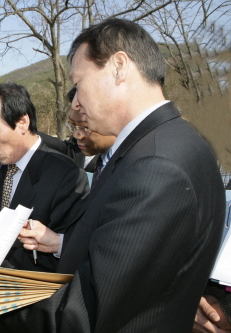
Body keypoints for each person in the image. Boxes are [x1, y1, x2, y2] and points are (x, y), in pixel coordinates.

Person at [21, 18, 226, 332]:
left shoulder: (156, 164)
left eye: (79, 84)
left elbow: (87, 313)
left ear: (118, 66)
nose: (75, 101)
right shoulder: (168, 143)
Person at [0, 82, 89, 333]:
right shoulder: (7, 165)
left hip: (31, 316)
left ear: (22, 122)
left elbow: (74, 252)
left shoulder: (65, 175)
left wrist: (56, 243)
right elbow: (3, 219)